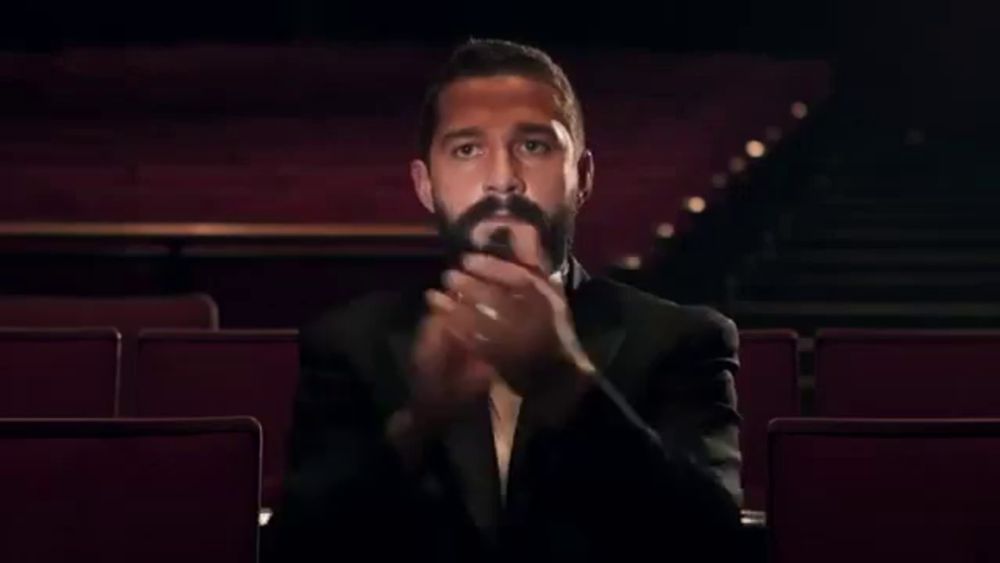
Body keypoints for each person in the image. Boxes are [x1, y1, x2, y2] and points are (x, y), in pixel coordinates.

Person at [265, 38, 743, 562]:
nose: (502, 181)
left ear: (582, 177)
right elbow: (297, 548)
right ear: (426, 185)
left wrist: (565, 381)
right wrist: (421, 422)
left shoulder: (683, 340)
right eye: (467, 149)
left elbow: (716, 544)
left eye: (534, 146)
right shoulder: (347, 344)